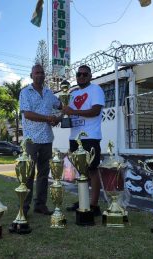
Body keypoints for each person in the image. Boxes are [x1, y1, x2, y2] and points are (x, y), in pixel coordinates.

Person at [62, 65, 105, 216]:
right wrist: (62, 113)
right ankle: (83, 200)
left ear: (90, 76)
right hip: (74, 137)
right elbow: (67, 111)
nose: (81, 77)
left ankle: (93, 205)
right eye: (78, 74)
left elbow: (95, 111)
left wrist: (73, 111)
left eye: (84, 74)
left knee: (92, 170)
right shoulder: (72, 93)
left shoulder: (96, 90)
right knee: (82, 172)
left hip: (90, 137)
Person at [19, 64, 61, 217]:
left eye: (42, 72)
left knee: (44, 174)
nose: (39, 75)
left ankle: (40, 205)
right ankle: (23, 208)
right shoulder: (25, 92)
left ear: (44, 76)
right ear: (31, 75)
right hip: (31, 140)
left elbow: (62, 106)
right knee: (28, 174)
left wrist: (57, 118)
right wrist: (47, 118)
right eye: (36, 72)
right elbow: (28, 114)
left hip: (47, 139)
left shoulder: (49, 93)